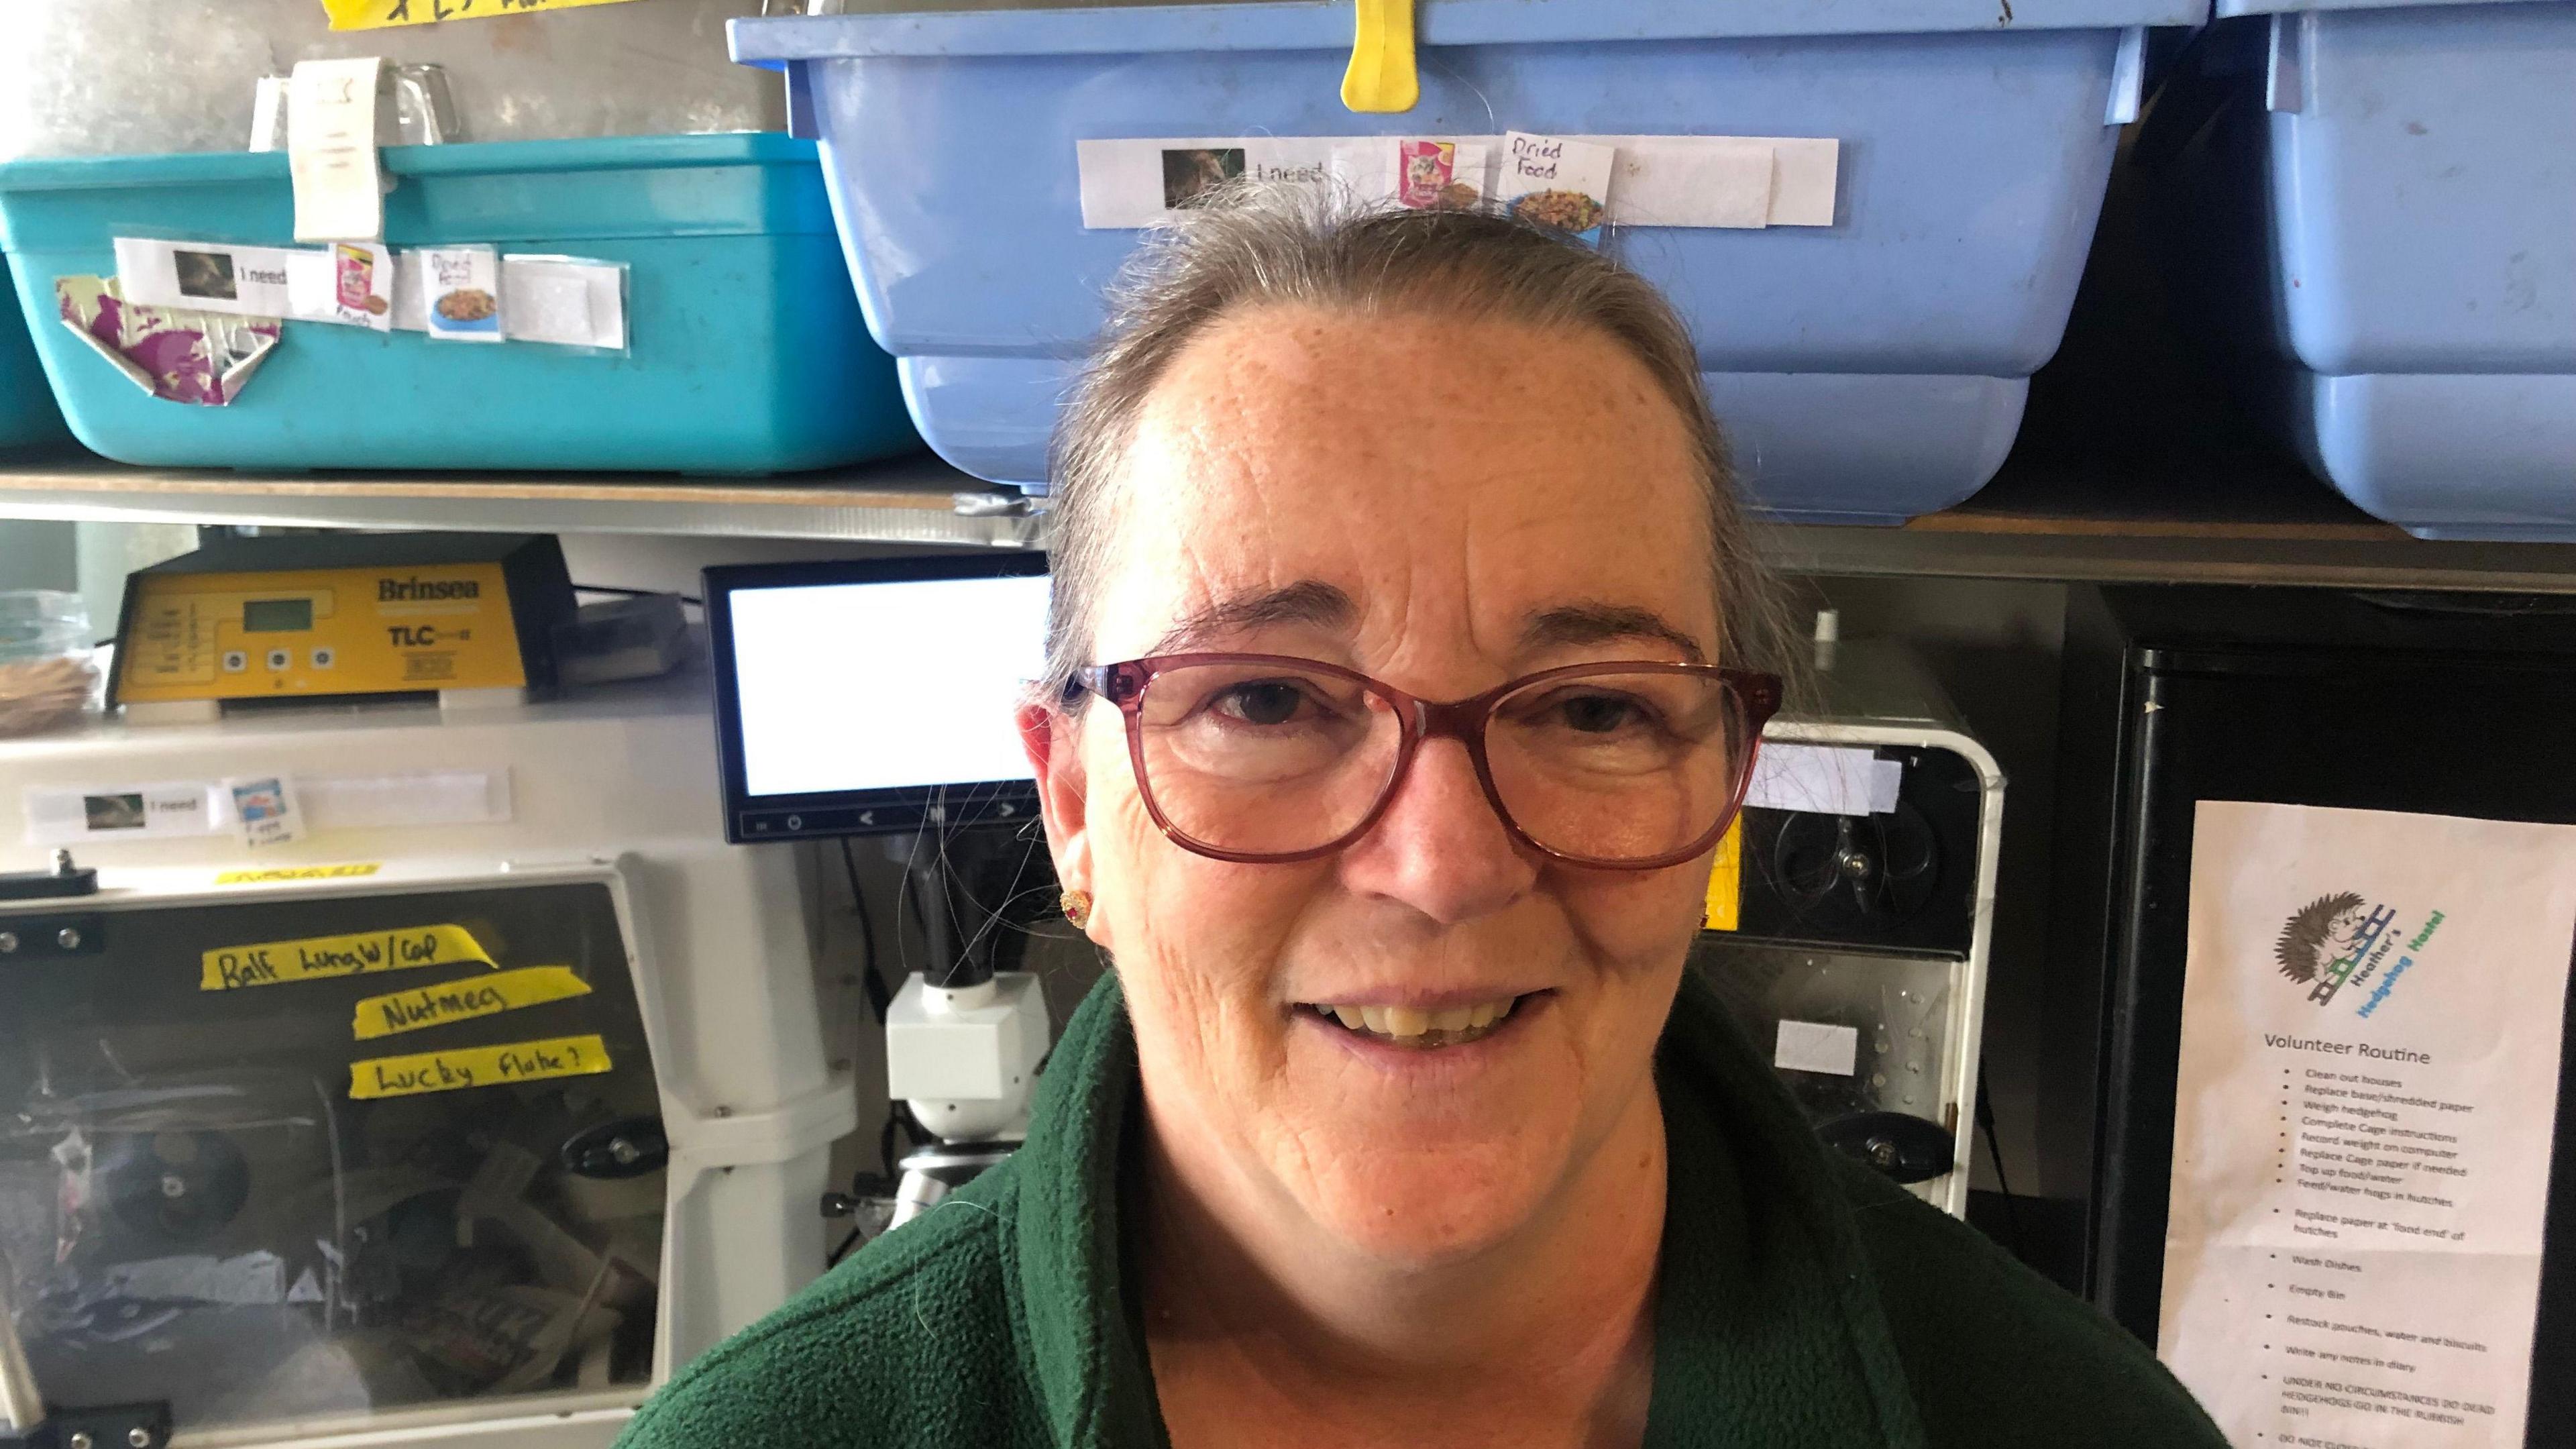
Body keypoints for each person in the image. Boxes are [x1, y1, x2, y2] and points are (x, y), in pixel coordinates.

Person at [617, 192, 2227, 1449]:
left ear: (1723, 785)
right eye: (1264, 700)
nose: (1445, 865)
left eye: (1595, 708)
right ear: (1074, 810)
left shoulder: (2069, 1433)